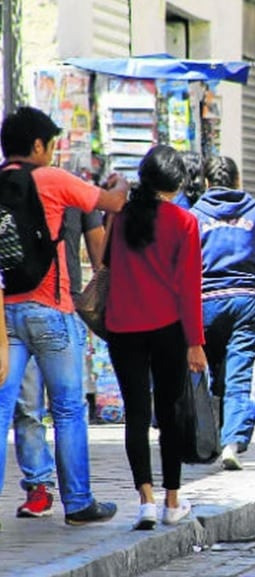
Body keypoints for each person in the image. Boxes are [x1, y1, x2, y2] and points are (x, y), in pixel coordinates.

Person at [0, 106, 127, 526]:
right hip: (52, 311)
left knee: (4, 412)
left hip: (5, 314)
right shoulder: (52, 179)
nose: (52, 153)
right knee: (69, 408)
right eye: (51, 145)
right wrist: (119, 184)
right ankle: (78, 503)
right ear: (38, 145)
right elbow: (111, 203)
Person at [104, 144, 207, 530]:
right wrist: (195, 341)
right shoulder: (184, 222)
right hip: (167, 329)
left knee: (136, 413)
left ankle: (144, 500)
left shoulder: (123, 215)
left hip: (122, 326)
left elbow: (107, 264)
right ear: (177, 183)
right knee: (170, 413)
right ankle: (172, 500)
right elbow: (189, 287)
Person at [190, 156, 255, 471]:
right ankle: (232, 442)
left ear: (207, 184)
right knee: (242, 373)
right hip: (247, 303)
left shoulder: (192, 217)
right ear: (239, 182)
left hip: (202, 303)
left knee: (202, 372)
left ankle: (202, 438)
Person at [12, 205, 106, 519]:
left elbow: (98, 246)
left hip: (65, 306)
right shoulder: (10, 187)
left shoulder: (71, 190)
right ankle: (40, 486)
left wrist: (101, 294)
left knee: (65, 406)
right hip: (19, 307)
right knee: (29, 406)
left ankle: (76, 498)